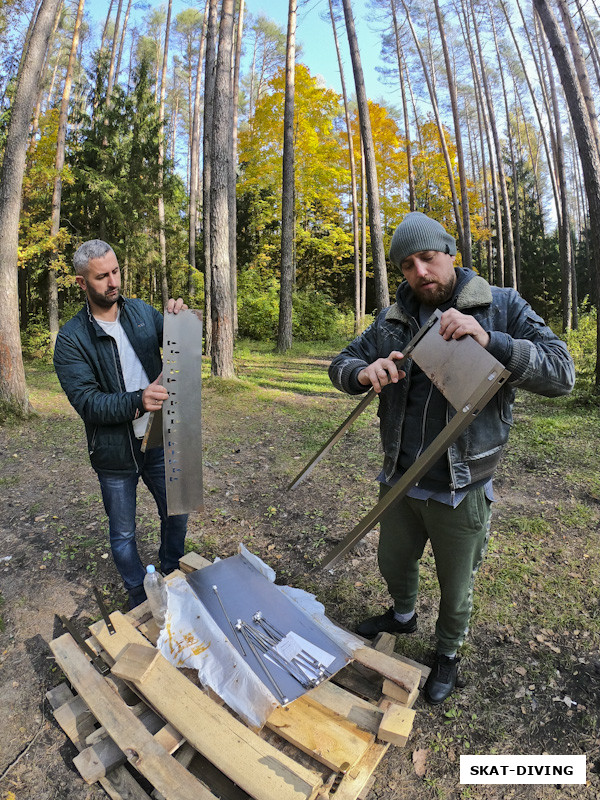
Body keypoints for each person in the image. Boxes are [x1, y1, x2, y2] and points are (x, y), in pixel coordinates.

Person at [329, 212, 575, 704]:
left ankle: (447, 652)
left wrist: (492, 341)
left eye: (428, 258)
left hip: (461, 486)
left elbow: (562, 372)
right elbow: (340, 363)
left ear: (450, 254)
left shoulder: (500, 306)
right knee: (393, 561)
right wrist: (362, 371)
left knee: (456, 586)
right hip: (400, 479)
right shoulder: (391, 319)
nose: (420, 272)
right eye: (407, 265)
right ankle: (402, 614)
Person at [54, 239, 189, 609]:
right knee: (123, 533)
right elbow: (87, 402)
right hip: (114, 452)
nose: (113, 282)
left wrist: (181, 319)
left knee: (177, 511)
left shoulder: (143, 313)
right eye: (101, 277)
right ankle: (138, 595)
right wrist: (138, 400)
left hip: (159, 437)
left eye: (115, 271)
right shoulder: (71, 339)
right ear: (82, 283)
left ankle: (172, 573)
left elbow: (182, 343)